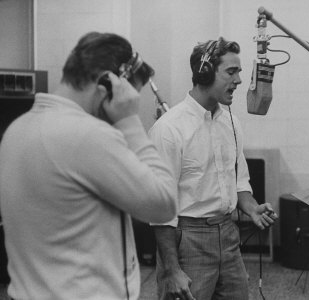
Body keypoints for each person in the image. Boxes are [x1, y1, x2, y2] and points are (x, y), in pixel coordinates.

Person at [0, 32, 177, 300]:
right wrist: (129, 121)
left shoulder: (16, 129)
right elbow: (163, 204)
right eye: (127, 95)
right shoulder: (87, 135)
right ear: (108, 83)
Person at [149, 37, 278, 300]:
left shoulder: (230, 122)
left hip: (228, 236)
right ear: (205, 72)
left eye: (239, 72)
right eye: (231, 72)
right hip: (187, 240)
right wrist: (171, 270)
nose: (240, 80)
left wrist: (252, 208)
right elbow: (160, 210)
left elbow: (239, 182)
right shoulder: (169, 129)